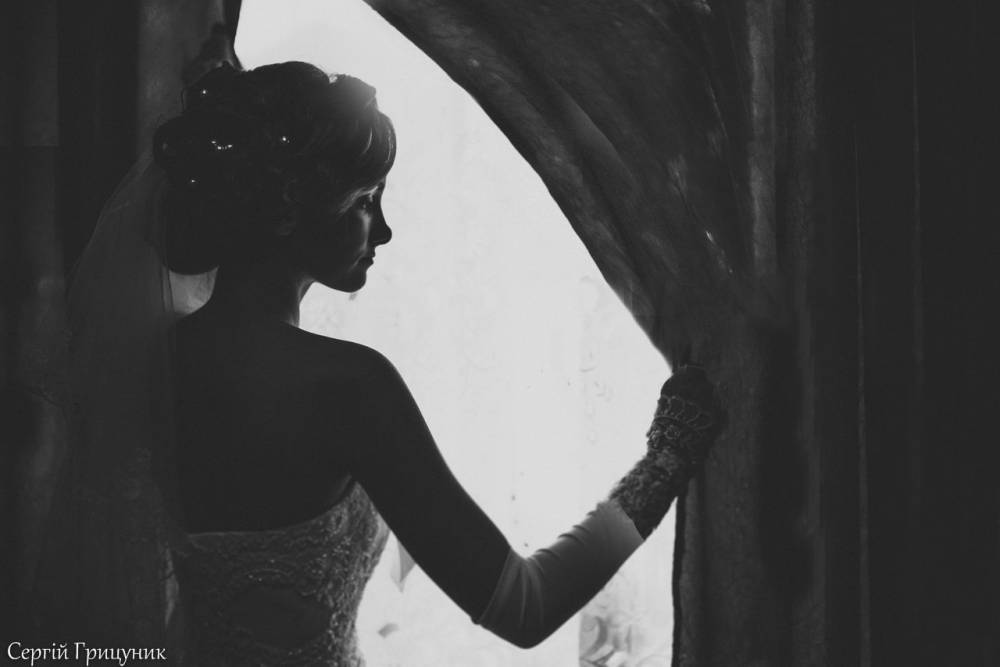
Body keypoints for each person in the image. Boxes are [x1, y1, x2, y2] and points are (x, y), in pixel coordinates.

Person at [49, 61, 723, 666]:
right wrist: (665, 461)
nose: (386, 229)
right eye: (365, 202)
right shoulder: (347, 387)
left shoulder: (156, 359)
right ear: (287, 210)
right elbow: (524, 606)